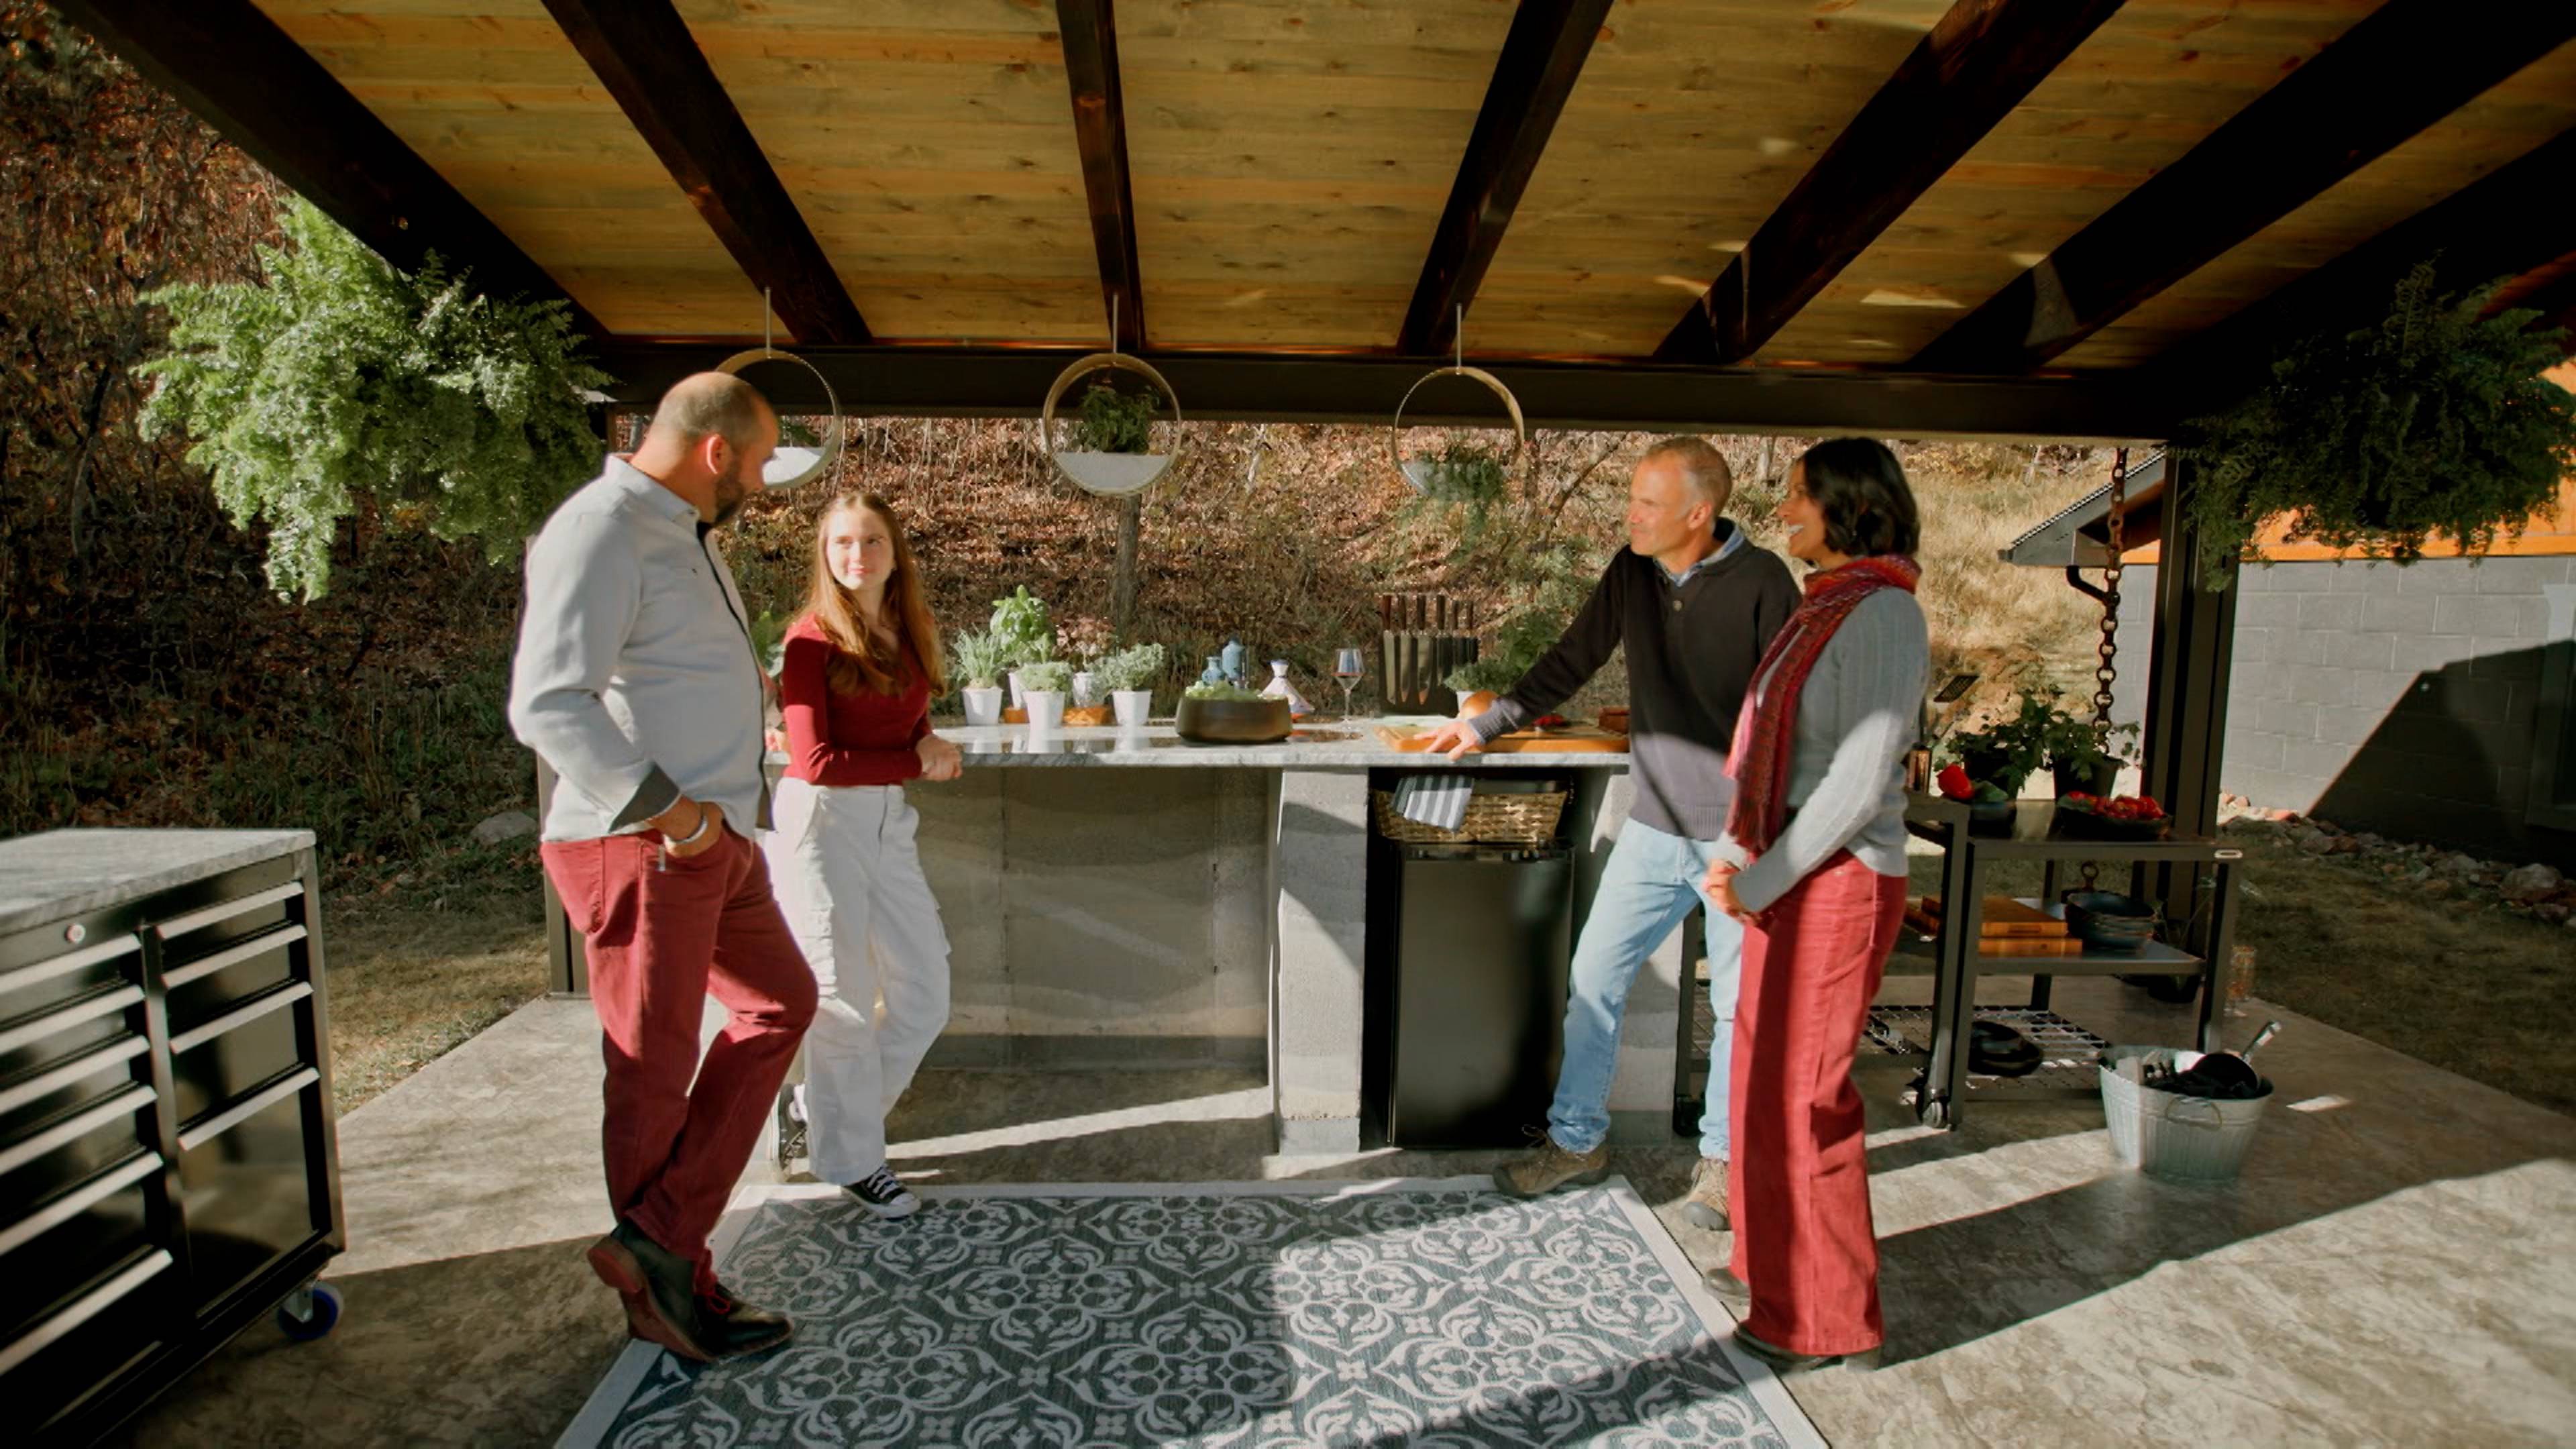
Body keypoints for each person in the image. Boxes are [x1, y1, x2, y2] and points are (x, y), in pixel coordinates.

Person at [508, 372, 818, 1363]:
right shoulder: (599, 528)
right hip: (645, 840)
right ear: (716, 451)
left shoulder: (682, 535)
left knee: (781, 1002)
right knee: (652, 1071)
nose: (763, 482)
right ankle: (675, 1286)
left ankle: (656, 1242)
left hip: (713, 840)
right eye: (762, 461)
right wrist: (680, 819)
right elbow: (549, 704)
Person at [1422, 437, 1799, 1226]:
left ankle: (1724, 1166)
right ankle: (1578, 1141)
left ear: (1699, 514)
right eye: (1632, 497)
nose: (1630, 514)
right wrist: (1487, 725)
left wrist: (1761, 834)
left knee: (1738, 1011)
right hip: (1655, 827)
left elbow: (1787, 712)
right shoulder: (1631, 573)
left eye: (1648, 504)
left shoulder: (1765, 582)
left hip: (1739, 836)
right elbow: (1572, 659)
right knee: (1593, 979)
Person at [1701, 437, 1929, 1375]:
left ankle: (1825, 1320)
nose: (1783, 512)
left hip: (1835, 881)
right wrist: (1738, 856)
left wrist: (1756, 881)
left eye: (1798, 498)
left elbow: (1859, 782)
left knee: (1804, 1100)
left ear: (1849, 506)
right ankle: (1771, 1272)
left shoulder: (1881, 617)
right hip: (1792, 873)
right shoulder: (1823, 607)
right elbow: (1775, 753)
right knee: (1760, 1080)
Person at [761, 492, 963, 1220]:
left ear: (895, 551)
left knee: (925, 992)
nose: (858, 555)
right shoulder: (810, 641)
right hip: (821, 826)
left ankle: (821, 1110)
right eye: (843, 542)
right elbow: (812, 760)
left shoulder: (909, 628)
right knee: (841, 998)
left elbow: (905, 714)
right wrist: (915, 761)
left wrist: (928, 738)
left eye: (872, 539)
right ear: (825, 554)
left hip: (885, 821)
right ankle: (855, 1161)